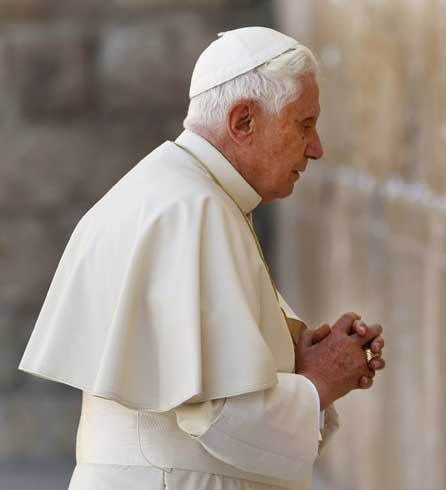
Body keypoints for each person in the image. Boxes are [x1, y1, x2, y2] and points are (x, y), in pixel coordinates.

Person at [19, 27, 386, 490]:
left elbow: (199, 377)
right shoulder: (195, 209)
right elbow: (222, 415)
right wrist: (320, 383)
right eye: (304, 124)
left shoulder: (176, 191)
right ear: (243, 121)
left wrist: (289, 360)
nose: (316, 149)